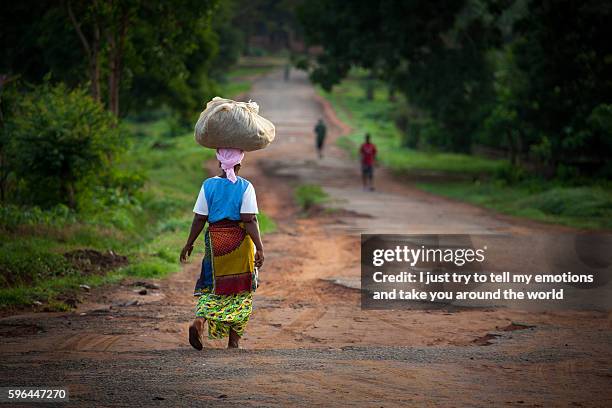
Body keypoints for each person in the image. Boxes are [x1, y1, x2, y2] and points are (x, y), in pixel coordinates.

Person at [180, 148, 264, 350]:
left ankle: (200, 320)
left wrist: (189, 242)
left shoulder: (208, 185)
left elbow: (200, 218)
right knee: (241, 291)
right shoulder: (246, 187)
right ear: (239, 164)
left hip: (215, 242)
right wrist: (260, 247)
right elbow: (249, 219)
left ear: (219, 163)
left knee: (211, 285)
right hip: (241, 245)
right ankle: (233, 342)